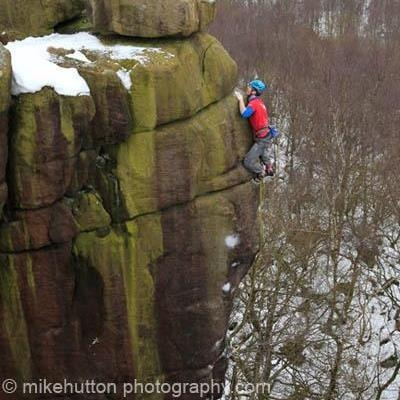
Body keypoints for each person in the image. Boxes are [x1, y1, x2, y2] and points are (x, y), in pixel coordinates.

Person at [235, 79, 274, 183]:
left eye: (249, 86)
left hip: (262, 138)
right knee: (262, 150)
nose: (247, 88)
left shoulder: (254, 104)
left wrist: (240, 100)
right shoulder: (260, 102)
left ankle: (261, 171)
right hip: (265, 135)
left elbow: (244, 113)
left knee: (247, 162)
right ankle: (269, 167)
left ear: (254, 91)